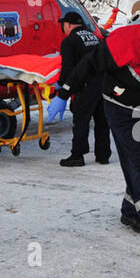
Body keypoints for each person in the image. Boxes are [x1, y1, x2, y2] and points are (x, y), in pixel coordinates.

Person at [51, 6, 140, 250]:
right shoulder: (127, 41)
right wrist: (64, 92)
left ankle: (131, 211)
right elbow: (89, 64)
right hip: (121, 106)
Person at [50, 11, 111, 167]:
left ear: (68, 25)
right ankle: (103, 154)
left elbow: (68, 69)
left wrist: (62, 87)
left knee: (81, 120)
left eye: (63, 24)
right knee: (102, 121)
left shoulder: (69, 41)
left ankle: (78, 155)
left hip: (84, 85)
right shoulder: (94, 37)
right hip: (103, 83)